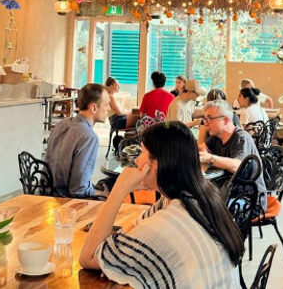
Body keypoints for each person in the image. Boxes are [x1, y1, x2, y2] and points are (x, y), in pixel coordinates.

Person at [79, 121, 243, 288]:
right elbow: (135, 227)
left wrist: (119, 190)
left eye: (142, 151)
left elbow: (88, 256)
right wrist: (121, 253)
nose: (136, 160)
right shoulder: (198, 198)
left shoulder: (166, 223)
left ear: (156, 164)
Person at [46, 83, 111, 197]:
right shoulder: (89, 137)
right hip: (65, 200)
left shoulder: (61, 124)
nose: (109, 109)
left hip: (47, 192)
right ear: (93, 108)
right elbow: (79, 190)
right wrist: (102, 194)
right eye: (106, 105)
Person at [198, 100, 267, 205]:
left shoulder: (241, 138)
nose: (206, 123)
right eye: (205, 119)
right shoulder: (216, 137)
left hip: (249, 200)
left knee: (202, 207)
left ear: (225, 120)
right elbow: (200, 151)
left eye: (210, 119)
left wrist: (210, 158)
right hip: (228, 192)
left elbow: (237, 165)